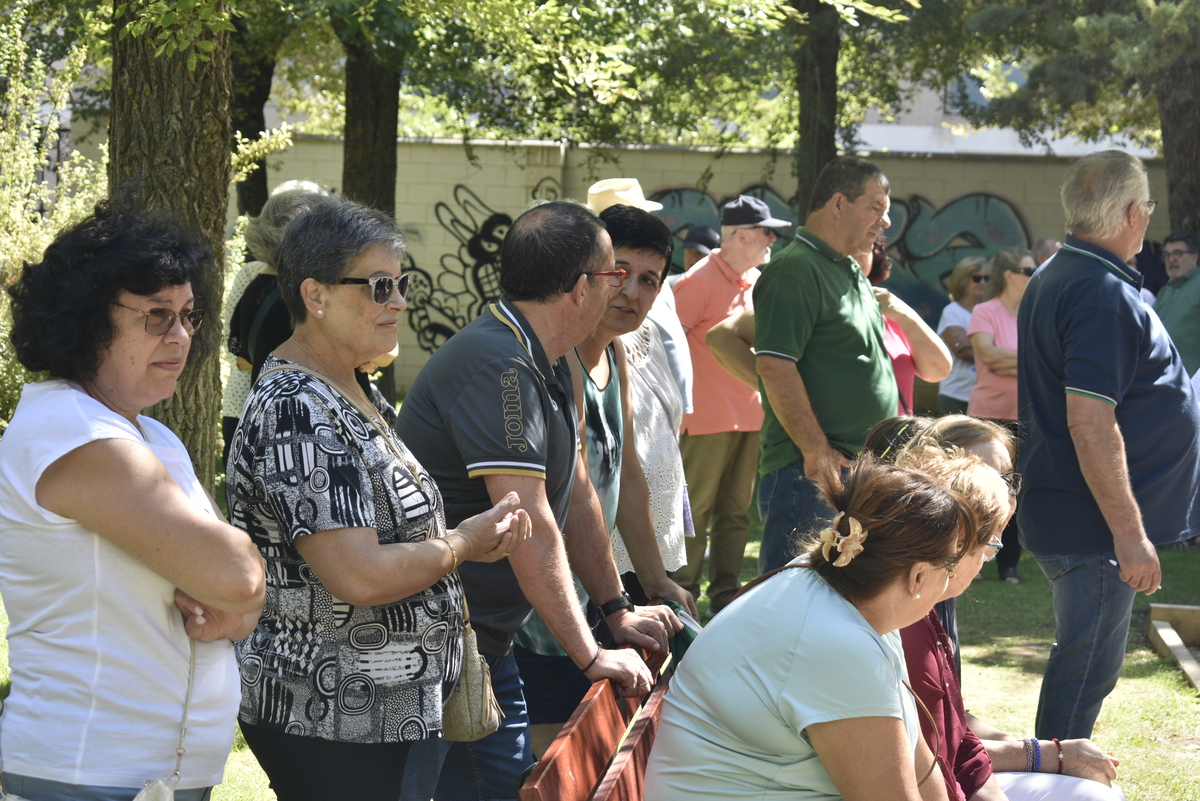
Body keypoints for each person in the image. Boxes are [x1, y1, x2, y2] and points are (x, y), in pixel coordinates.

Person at [226, 195, 533, 799]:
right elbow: (359, 577)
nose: (399, 301)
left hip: (382, 710)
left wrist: (474, 540)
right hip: (331, 715)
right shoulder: (298, 409)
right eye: (380, 286)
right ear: (315, 296)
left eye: (402, 283)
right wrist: (463, 544)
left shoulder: (348, 386)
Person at [395, 201, 677, 801]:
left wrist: (615, 608)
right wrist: (590, 653)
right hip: (427, 655)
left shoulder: (537, 355)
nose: (624, 290)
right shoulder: (502, 363)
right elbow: (533, 523)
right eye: (614, 276)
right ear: (582, 288)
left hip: (477, 647)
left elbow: (575, 493)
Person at [0, 198, 266, 800]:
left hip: (150, 779)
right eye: (156, 316)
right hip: (81, 776)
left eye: (189, 316)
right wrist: (237, 596)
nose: (180, 337)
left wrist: (236, 606)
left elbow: (242, 605)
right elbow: (242, 574)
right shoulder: (71, 432)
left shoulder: (150, 434)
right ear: (88, 318)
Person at [645, 453, 983, 800]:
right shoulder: (839, 644)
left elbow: (915, 761)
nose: (954, 578)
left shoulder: (843, 591)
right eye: (952, 562)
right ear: (918, 576)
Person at [1019, 150, 1200, 740]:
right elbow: (1091, 424)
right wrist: (1130, 534)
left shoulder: (1059, 273)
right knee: (1087, 667)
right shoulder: (1099, 290)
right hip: (1092, 526)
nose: (1149, 216)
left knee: (1086, 661)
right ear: (1129, 213)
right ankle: (1055, 778)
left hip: (1075, 513)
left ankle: (1056, 770)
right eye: (1147, 205)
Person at [512, 204, 695, 755]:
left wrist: (655, 579)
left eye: (649, 280)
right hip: (536, 599)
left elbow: (629, 475)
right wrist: (617, 603)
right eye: (618, 272)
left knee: (595, 746)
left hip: (591, 586)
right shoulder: (556, 360)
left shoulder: (617, 352)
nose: (631, 292)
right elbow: (577, 492)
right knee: (548, 762)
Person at [894, 439, 1126, 801]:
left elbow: (953, 728)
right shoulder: (900, 619)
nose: (989, 556)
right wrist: (1044, 754)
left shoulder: (923, 607)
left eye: (1009, 478)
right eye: (991, 543)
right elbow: (929, 761)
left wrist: (1037, 751)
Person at [754, 156, 898, 573]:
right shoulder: (794, 269)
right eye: (876, 208)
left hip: (856, 474)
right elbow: (775, 366)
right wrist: (816, 453)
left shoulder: (850, 267)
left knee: (836, 606)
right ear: (838, 203)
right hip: (812, 477)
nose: (885, 222)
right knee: (793, 606)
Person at [673, 194, 789, 613]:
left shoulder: (757, 280)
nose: (772, 240)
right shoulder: (699, 280)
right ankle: (680, 599)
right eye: (766, 232)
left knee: (736, 516)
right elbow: (667, 349)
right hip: (703, 422)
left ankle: (724, 600)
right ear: (740, 235)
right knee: (695, 514)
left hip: (751, 420)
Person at [222, 181, 328, 458]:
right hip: (277, 415)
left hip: (251, 410)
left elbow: (240, 353)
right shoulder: (315, 290)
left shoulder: (254, 279)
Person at [968, 246, 1034, 584]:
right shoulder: (985, 310)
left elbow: (1005, 357)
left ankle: (1008, 563)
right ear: (1009, 275)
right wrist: (1030, 362)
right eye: (1028, 270)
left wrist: (1011, 359)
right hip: (987, 416)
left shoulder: (1033, 313)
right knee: (978, 488)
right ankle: (970, 557)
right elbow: (988, 355)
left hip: (1023, 416)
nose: (1034, 276)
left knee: (1014, 492)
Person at [862, 237, 953, 413]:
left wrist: (903, 314)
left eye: (864, 248)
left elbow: (938, 370)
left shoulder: (890, 309)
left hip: (895, 436)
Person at [937, 256, 991, 415]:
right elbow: (961, 350)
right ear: (962, 280)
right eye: (977, 278)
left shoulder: (989, 312)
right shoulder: (952, 311)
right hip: (956, 394)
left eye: (986, 278)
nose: (983, 283)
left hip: (985, 395)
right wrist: (996, 354)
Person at [1152, 230, 1200, 375]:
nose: (1171, 259)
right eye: (1167, 254)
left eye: (1178, 253)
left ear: (1194, 257)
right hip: (1168, 381)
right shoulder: (1166, 290)